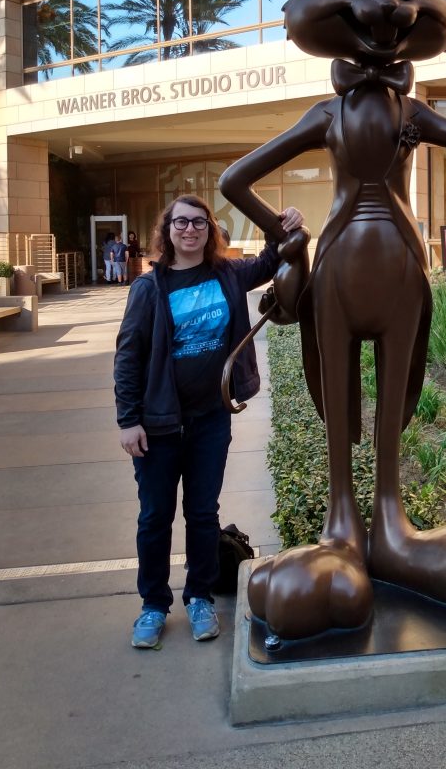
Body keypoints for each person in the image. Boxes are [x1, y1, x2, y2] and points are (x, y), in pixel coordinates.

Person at [114, 194, 304, 649]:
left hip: (209, 421)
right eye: (181, 222)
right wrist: (128, 421)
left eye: (199, 222)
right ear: (168, 230)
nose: (190, 230)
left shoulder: (227, 274)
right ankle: (153, 605)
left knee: (202, 515)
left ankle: (198, 596)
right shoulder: (149, 288)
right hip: (158, 426)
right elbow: (128, 356)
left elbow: (270, 260)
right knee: (156, 517)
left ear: (210, 230)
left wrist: (287, 223)